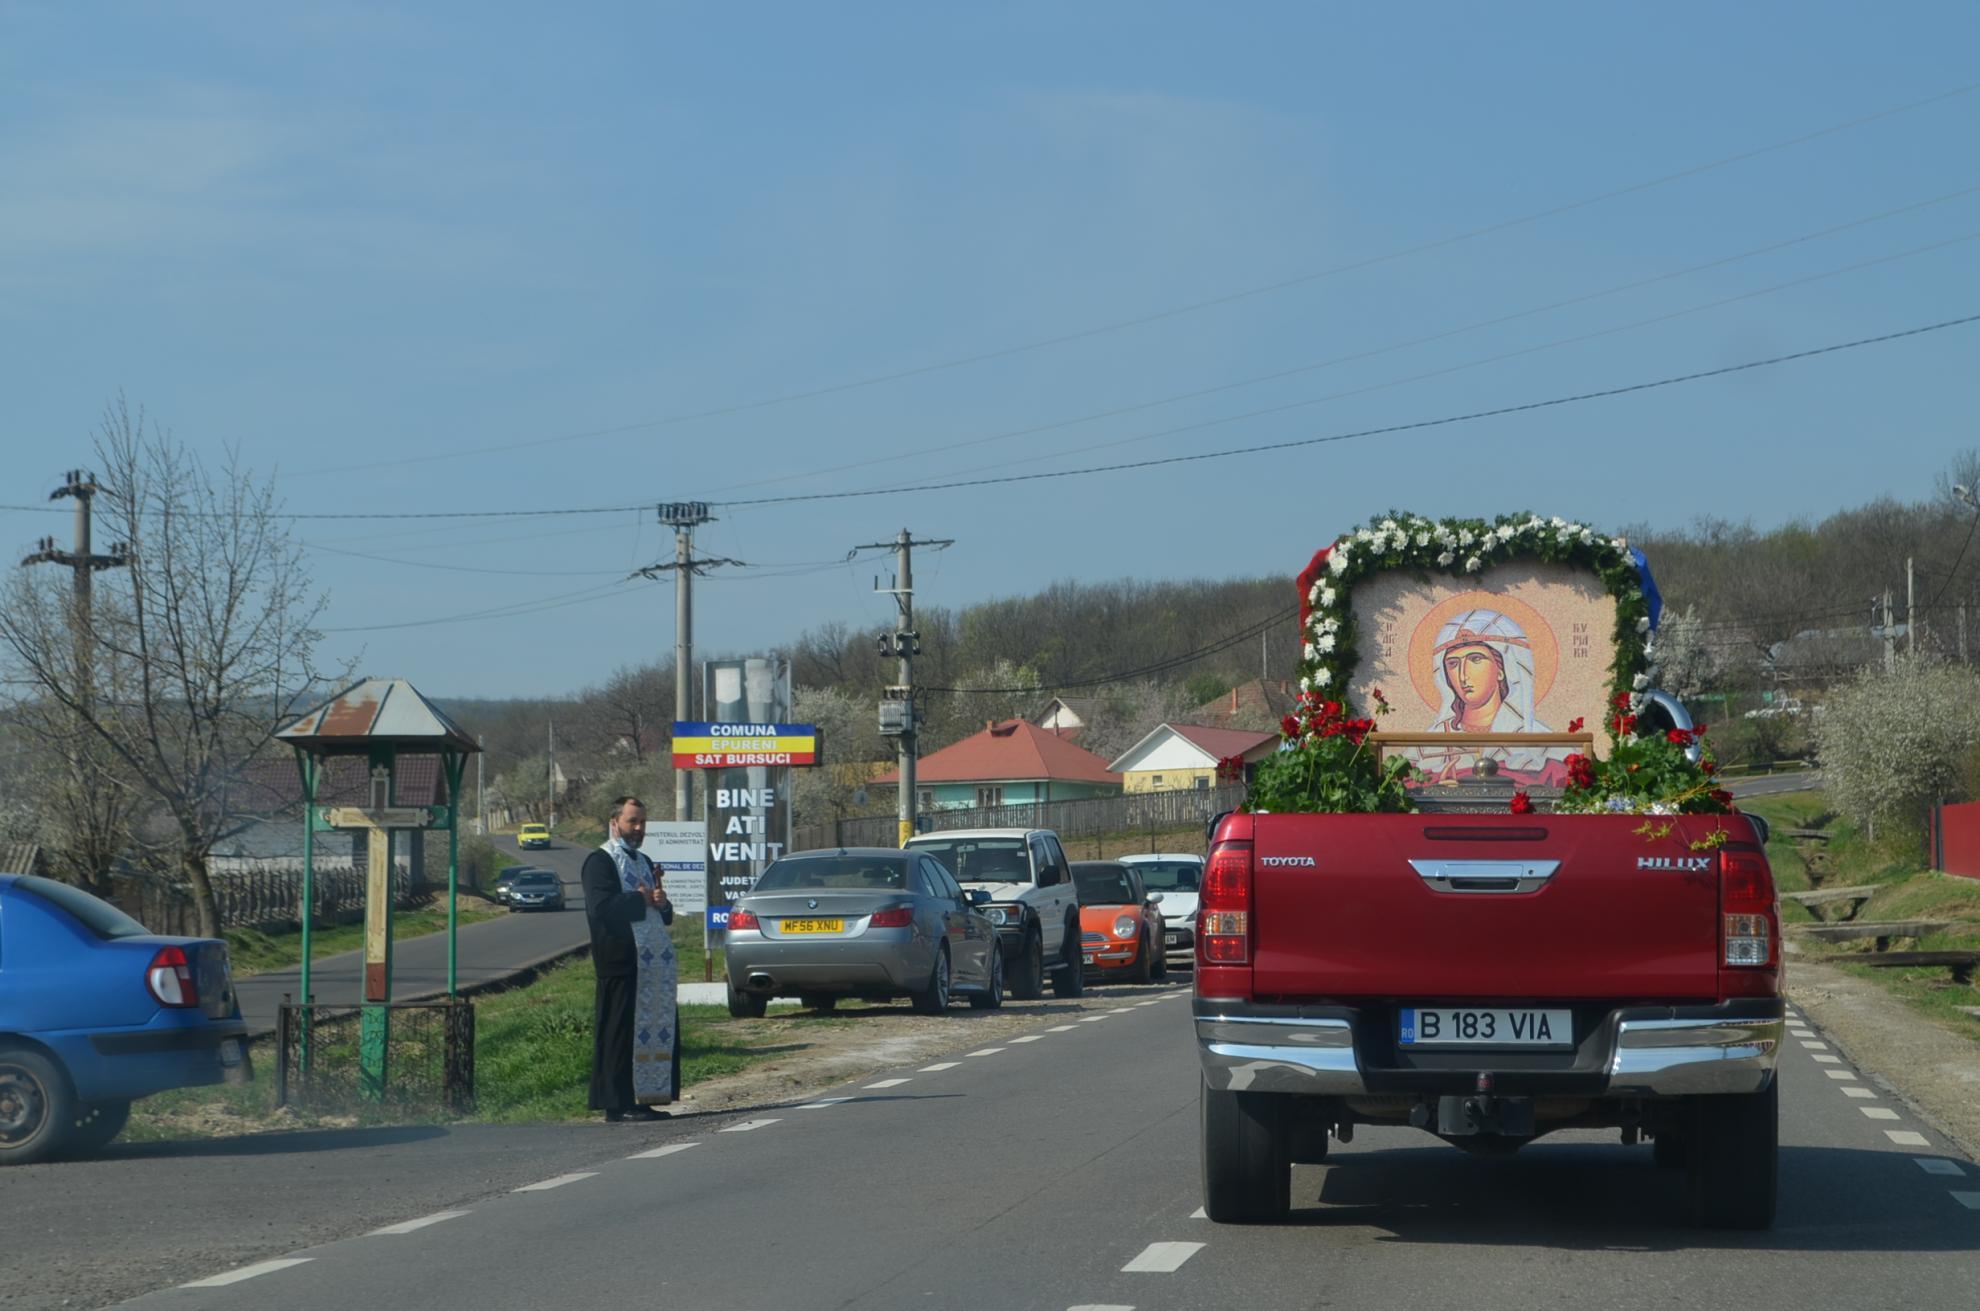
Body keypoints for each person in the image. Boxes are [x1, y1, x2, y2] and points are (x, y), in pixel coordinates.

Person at [582, 795, 674, 1122]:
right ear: (614, 822)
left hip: (649, 964)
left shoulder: (645, 861)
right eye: (632, 821)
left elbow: (662, 915)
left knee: (643, 1032)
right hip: (619, 960)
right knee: (619, 1033)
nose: (638, 828)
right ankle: (616, 1104)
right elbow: (600, 909)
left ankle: (642, 1097)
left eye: (642, 822)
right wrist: (641, 899)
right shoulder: (600, 861)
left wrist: (662, 903)